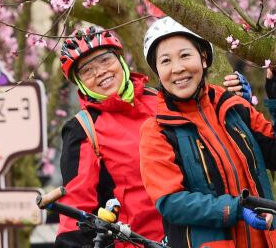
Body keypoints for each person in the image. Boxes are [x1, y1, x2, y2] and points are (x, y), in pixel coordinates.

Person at [55, 25, 252, 248]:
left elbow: (208, 121)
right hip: (141, 242)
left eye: (104, 60)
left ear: (120, 60)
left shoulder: (163, 98)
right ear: (79, 82)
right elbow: (75, 206)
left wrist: (236, 103)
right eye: (87, 70)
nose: (100, 72)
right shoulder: (83, 128)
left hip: (205, 235)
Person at [138, 17, 276, 248]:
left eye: (185, 55)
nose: (177, 68)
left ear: (204, 58)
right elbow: (170, 202)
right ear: (157, 70)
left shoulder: (232, 106)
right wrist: (235, 209)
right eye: (165, 61)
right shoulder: (157, 131)